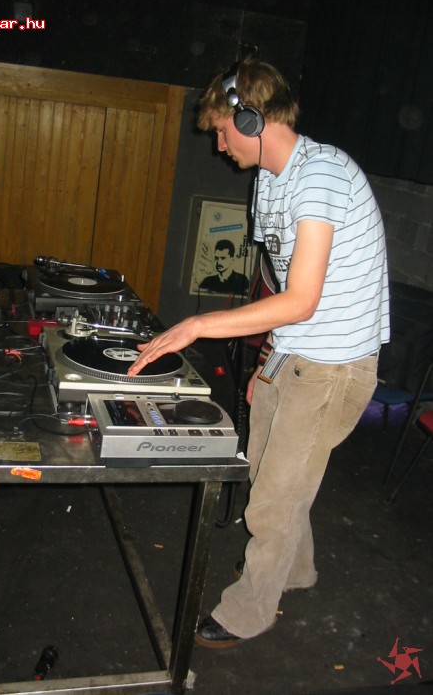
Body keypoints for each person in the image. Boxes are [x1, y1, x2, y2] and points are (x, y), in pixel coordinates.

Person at [128, 56, 390, 648]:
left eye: (223, 131)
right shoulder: (270, 182)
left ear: (252, 119)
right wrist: (270, 361)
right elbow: (281, 287)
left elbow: (302, 298)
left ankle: (249, 610)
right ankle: (293, 570)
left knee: (273, 498)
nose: (219, 145)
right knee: (269, 473)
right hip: (295, 355)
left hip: (333, 367)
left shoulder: (321, 176)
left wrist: (199, 324)